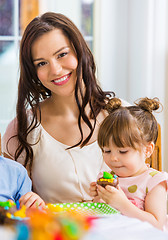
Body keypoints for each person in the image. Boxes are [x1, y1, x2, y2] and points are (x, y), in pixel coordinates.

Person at [2, 12, 127, 203]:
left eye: (62, 54)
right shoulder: (22, 128)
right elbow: (10, 201)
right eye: (42, 63)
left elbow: (148, 191)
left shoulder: (125, 116)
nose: (55, 70)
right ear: (33, 72)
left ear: (80, 51)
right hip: (54, 231)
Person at [89, 97, 168, 230]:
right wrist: (98, 199)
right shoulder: (109, 177)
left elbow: (156, 225)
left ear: (147, 150)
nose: (113, 158)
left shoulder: (153, 182)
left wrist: (123, 204)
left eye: (123, 151)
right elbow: (105, 217)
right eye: (107, 150)